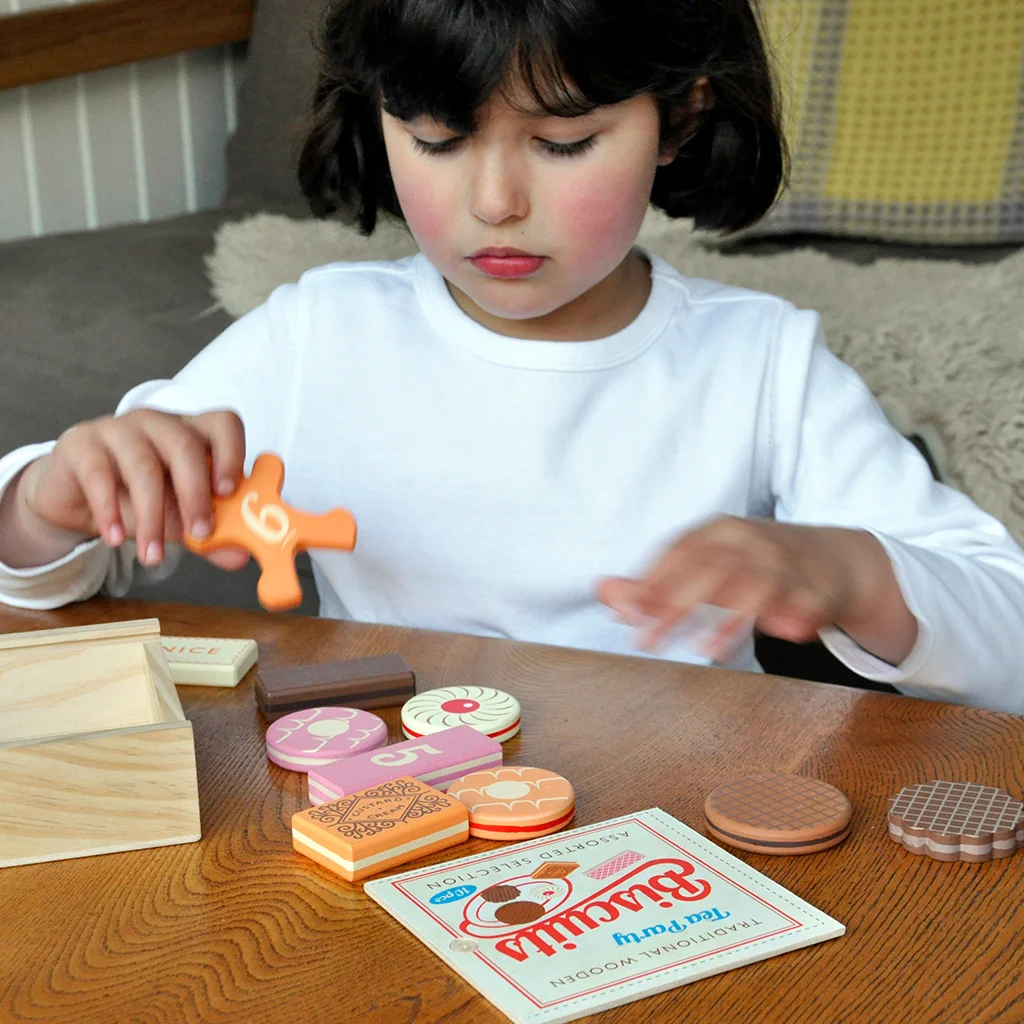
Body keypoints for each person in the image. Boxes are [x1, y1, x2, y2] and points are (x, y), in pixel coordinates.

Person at [1, 0, 1022, 713]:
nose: (493, 202)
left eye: (564, 142)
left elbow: (1007, 640)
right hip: (398, 802)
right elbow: (36, 569)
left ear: (680, 118)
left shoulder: (762, 360)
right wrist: (47, 503)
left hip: (679, 821)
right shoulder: (317, 334)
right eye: (438, 139)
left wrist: (850, 571)